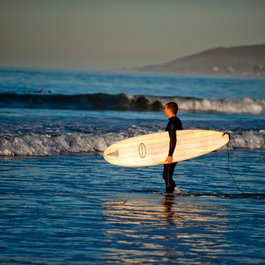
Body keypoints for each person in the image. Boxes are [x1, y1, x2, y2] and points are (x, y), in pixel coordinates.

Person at [163, 102, 182, 193]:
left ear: (169, 109)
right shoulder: (176, 121)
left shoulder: (172, 122)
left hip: (173, 152)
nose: (164, 110)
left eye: (165, 109)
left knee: (167, 175)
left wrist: (170, 155)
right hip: (174, 150)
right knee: (166, 175)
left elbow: (173, 139)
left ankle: (169, 196)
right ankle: (174, 191)